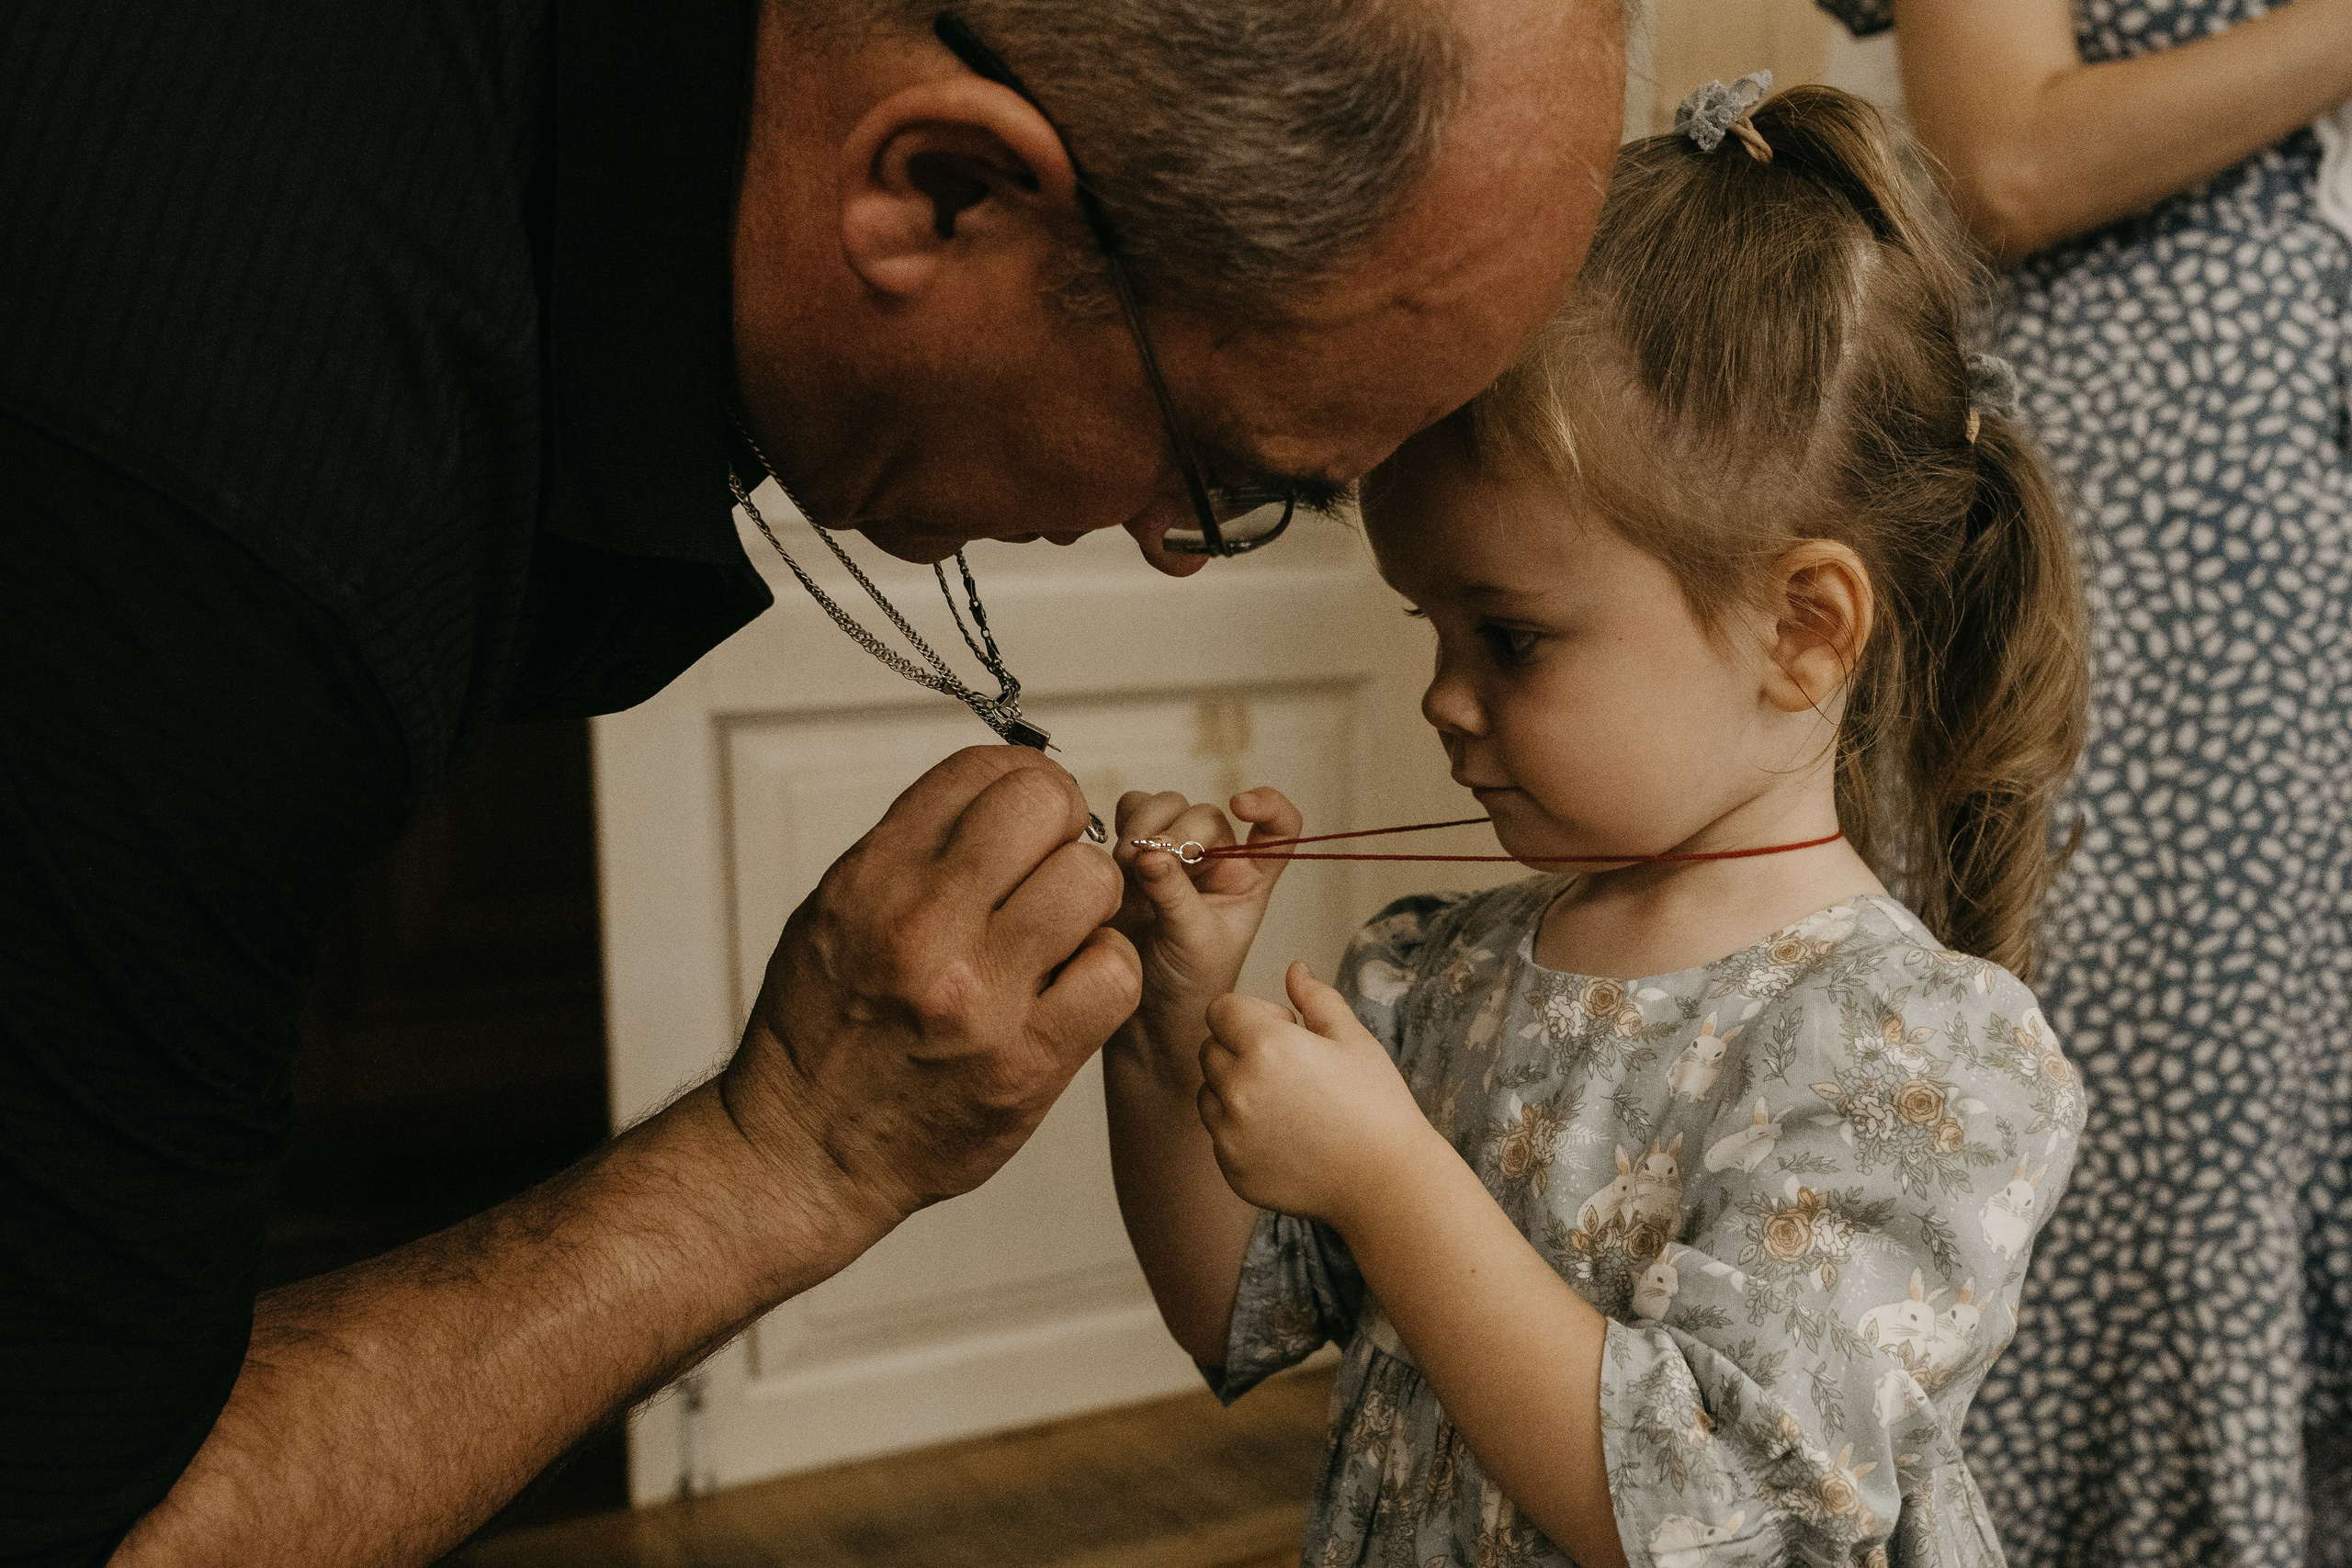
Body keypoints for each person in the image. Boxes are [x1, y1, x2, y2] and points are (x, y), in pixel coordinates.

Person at [0, 1, 1631, 1562]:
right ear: (934, 193)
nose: (1175, 555)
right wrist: (797, 1152)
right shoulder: (219, 505)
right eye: (1223, 475)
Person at [1102, 81, 2091, 1568]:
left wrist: (1387, 1175)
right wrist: (1162, 1021)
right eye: (1428, 628)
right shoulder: (1435, 976)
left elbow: (1702, 1514)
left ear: (1802, 630)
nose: (1442, 698)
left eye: (1512, 638)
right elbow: (1229, 1308)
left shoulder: (1915, 1055)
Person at [1810, 1, 2352, 1562]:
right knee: (2146, 1090)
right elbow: (2007, 159)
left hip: (2293, 495)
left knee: (2270, 1089)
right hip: (2154, 496)